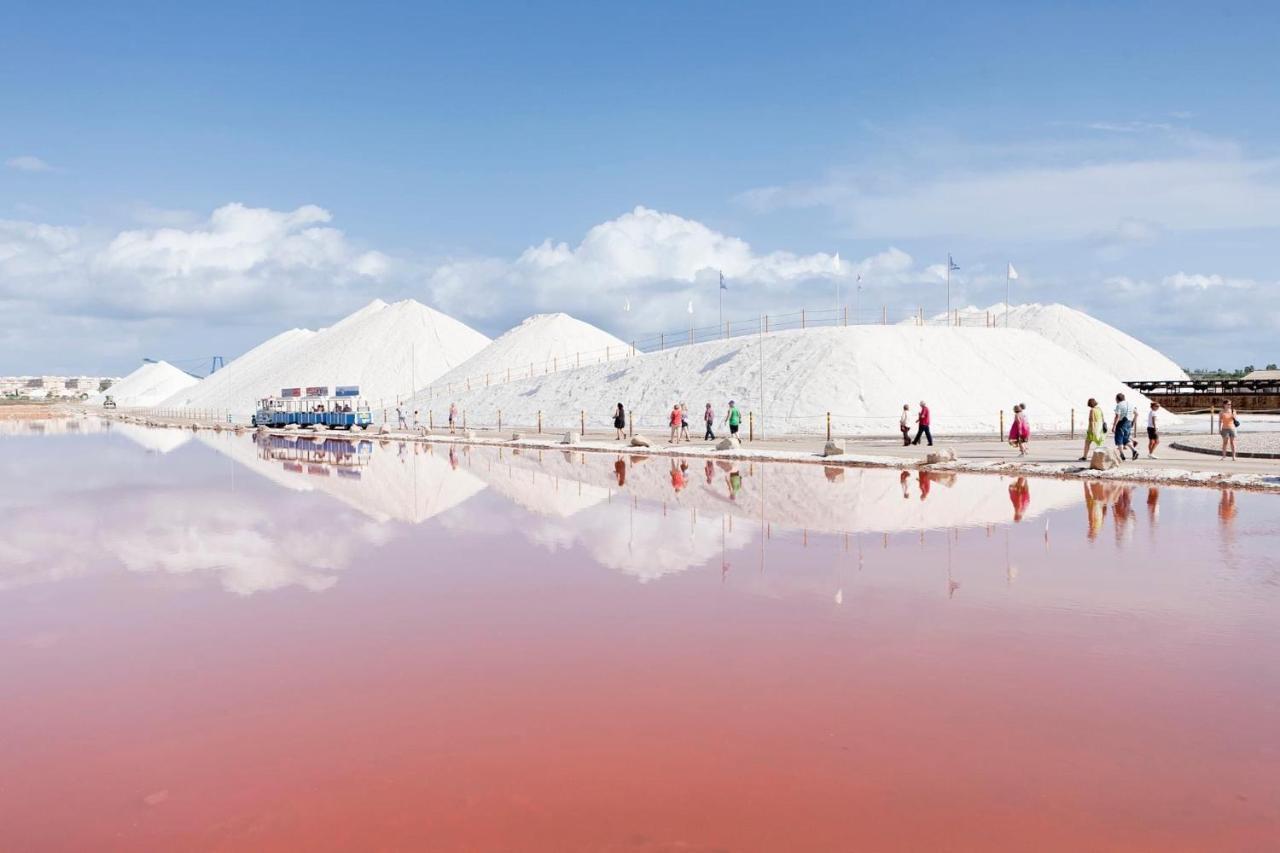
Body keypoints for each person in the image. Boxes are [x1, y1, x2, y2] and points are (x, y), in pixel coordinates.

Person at [1112, 393, 1138, 461]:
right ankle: (1134, 451)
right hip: (1129, 423)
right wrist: (1133, 422)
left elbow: (1117, 416)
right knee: (1125, 439)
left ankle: (1121, 454)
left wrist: (1114, 426)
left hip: (1121, 423)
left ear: (1117, 399)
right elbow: (1136, 414)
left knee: (1119, 439)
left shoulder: (1119, 405)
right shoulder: (1131, 404)